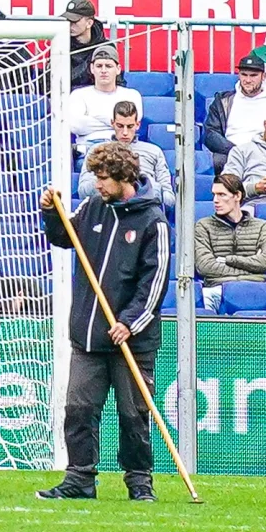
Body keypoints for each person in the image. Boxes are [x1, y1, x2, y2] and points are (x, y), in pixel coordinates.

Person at [35, 139, 169, 504]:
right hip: (88, 337)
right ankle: (80, 479)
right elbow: (64, 237)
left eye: (104, 178)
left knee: (134, 415)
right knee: (78, 410)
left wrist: (130, 322)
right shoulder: (93, 207)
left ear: (124, 177)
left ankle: (139, 483)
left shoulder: (152, 222)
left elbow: (154, 282)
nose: (97, 184)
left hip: (131, 341)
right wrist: (52, 212)